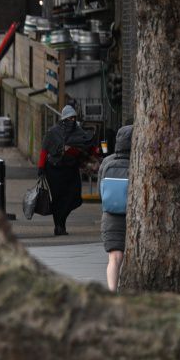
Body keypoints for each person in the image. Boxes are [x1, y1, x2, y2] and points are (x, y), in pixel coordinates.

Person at [39, 104, 96, 236]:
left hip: (71, 169)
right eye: (70, 118)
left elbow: (87, 144)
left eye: (74, 118)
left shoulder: (79, 131)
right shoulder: (53, 132)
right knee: (58, 199)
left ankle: (60, 224)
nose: (72, 121)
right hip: (54, 170)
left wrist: (96, 151)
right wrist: (41, 167)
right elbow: (44, 150)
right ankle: (59, 226)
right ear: (64, 119)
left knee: (74, 197)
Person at [99, 124, 133, 291]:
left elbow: (101, 188)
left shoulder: (107, 161)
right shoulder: (139, 161)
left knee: (115, 257)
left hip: (111, 215)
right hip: (134, 216)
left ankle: (112, 291)